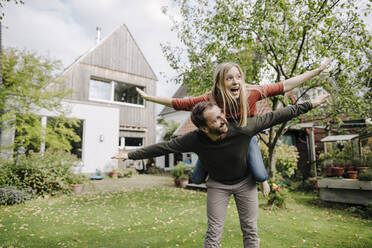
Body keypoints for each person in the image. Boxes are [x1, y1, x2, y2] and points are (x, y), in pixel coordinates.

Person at [113, 94, 329, 248]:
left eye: (221, 115)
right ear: (204, 128)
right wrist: (129, 155)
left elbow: (279, 115)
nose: (223, 119)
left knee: (250, 229)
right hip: (218, 185)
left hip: (245, 182)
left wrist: (311, 103)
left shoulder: (243, 127)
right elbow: (164, 147)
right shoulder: (194, 139)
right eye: (216, 119)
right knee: (214, 232)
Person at [136, 59, 332, 195]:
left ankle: (263, 183)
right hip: (217, 139)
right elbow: (178, 103)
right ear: (221, 83)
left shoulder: (252, 93)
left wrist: (315, 72)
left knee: (259, 173)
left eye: (238, 77)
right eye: (229, 78)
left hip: (244, 137)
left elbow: (286, 85)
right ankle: (210, 162)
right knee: (196, 178)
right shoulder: (211, 99)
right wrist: (149, 97)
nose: (235, 81)